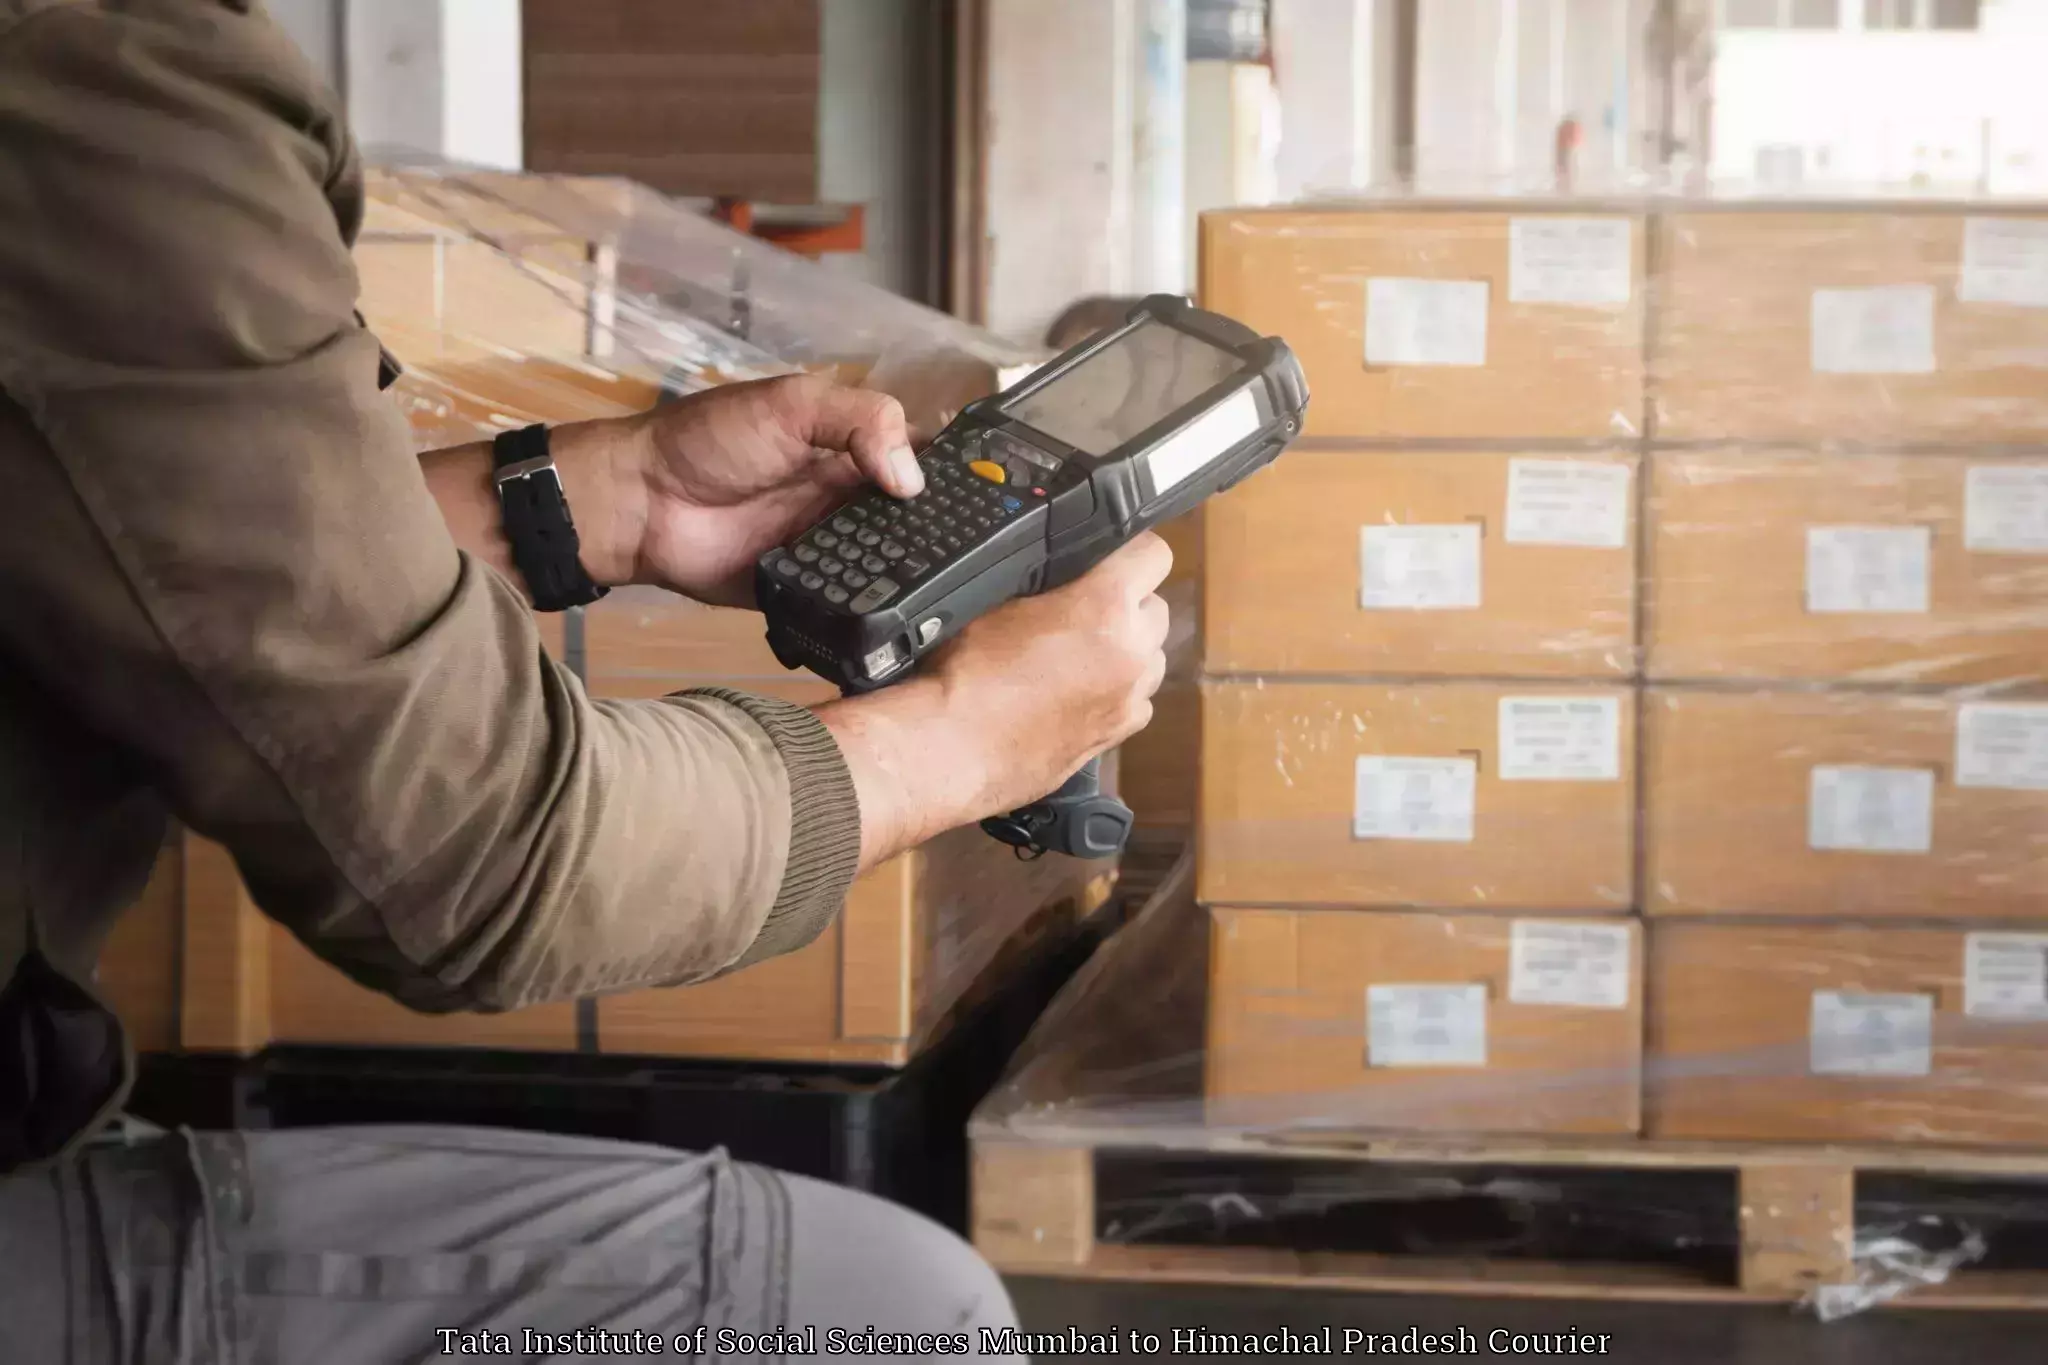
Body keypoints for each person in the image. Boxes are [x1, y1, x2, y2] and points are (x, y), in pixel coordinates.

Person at [0, 2, 1171, 1359]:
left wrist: (592, 504)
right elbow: (479, 858)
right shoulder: (92, 73)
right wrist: (971, 740)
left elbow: (183, 557)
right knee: (893, 1315)